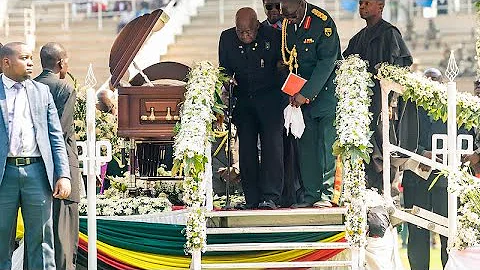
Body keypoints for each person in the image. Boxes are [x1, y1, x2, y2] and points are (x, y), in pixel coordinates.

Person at [0, 42, 71, 270]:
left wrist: (63, 174)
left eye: (31, 58)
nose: (30, 62)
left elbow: (55, 136)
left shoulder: (42, 92)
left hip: (37, 173)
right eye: (24, 58)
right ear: (6, 62)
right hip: (4, 174)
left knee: (41, 241)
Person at [343, 0, 414, 191]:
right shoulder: (357, 39)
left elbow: (402, 68)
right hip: (361, 106)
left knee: (383, 146)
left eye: (367, 3)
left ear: (380, 7)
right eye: (360, 3)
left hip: (382, 104)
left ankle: (384, 190)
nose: (362, 7)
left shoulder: (390, 34)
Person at [218, 7, 284, 209]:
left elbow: (281, 66)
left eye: (249, 31)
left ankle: (271, 196)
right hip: (244, 100)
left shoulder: (273, 36)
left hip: (270, 99)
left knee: (272, 147)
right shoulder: (227, 38)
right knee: (246, 150)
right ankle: (252, 198)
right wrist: (228, 79)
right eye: (240, 32)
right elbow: (224, 69)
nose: (245, 36)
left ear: (257, 25)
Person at [280, 0, 341, 208]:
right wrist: (293, 91)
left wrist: (306, 93)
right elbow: (292, 60)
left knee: (326, 147)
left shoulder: (322, 22)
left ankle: (327, 194)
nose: (289, 20)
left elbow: (327, 62)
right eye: (286, 16)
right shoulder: (288, 23)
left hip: (324, 95)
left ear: (301, 3)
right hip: (300, 98)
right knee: (306, 147)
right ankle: (310, 195)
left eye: (293, 15)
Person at [34, 42, 80, 270]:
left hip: (36, 166)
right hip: (63, 166)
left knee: (40, 233)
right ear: (61, 63)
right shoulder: (64, 88)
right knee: (64, 230)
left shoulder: (30, 87)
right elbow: (60, 132)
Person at [401, 68, 452, 269]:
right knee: (416, 233)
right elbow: (400, 136)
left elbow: (462, 137)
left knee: (448, 234)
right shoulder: (409, 106)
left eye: (435, 80)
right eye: (428, 80)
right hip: (415, 178)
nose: (431, 84)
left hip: (443, 180)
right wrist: (422, 153)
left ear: (442, 83)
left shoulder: (453, 107)